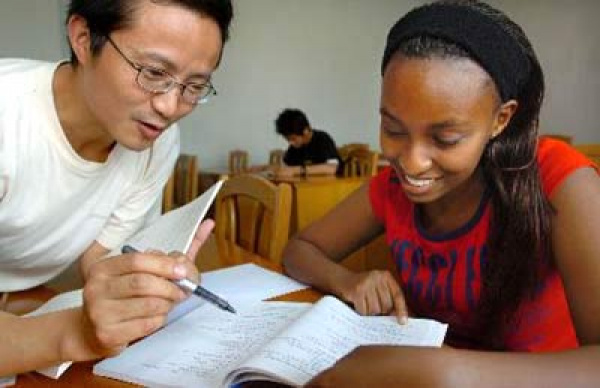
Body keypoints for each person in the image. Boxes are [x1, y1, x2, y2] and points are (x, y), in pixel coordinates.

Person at [282, 1, 600, 386]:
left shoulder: (557, 180)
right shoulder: (390, 190)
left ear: (501, 119)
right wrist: (347, 281)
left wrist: (448, 372)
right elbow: (299, 250)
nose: (412, 163)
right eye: (394, 130)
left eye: (446, 138)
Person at [0, 0, 232, 376]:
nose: (170, 106)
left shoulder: (155, 144)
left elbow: (101, 267)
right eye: (154, 72)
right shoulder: (7, 117)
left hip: (26, 300)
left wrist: (143, 288)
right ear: (82, 37)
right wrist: (75, 333)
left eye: (195, 86)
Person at [273, 108, 342, 177]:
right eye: (288, 140)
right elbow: (286, 166)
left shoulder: (323, 139)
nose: (291, 143)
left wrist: (297, 170)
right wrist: (271, 169)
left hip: (329, 185)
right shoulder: (295, 147)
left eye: (293, 139)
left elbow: (332, 168)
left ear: (305, 131)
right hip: (305, 185)